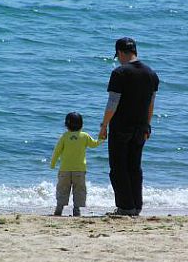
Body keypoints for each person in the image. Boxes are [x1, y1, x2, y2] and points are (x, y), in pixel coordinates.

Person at [99, 37, 159, 216]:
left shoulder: (120, 73)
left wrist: (104, 126)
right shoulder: (151, 74)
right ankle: (136, 205)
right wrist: (147, 126)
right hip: (141, 127)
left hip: (121, 127)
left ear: (119, 52)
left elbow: (113, 103)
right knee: (134, 167)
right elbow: (151, 104)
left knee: (118, 168)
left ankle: (125, 207)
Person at [51, 112, 103, 216]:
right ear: (81, 124)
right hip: (79, 170)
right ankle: (76, 209)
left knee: (62, 188)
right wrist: (101, 139)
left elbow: (57, 151)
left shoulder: (64, 136)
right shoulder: (84, 136)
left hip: (64, 170)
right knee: (79, 189)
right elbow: (94, 144)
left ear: (66, 124)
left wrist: (53, 163)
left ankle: (59, 207)